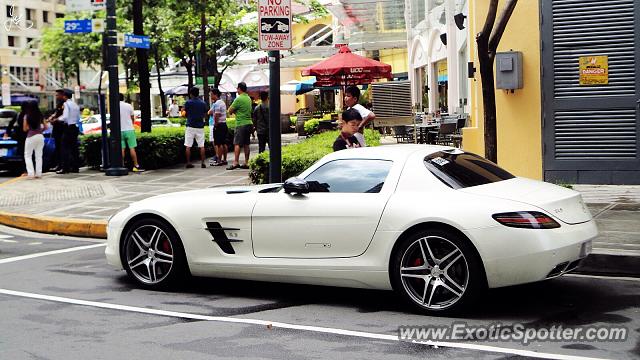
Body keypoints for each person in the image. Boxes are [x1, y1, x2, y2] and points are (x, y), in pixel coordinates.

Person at [227, 82, 253, 170]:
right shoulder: (248, 98)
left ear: (239, 89)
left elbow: (229, 111)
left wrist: (235, 112)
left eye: (237, 88)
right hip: (249, 123)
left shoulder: (238, 99)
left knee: (237, 143)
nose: (236, 90)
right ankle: (246, 162)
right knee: (246, 144)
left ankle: (236, 162)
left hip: (240, 123)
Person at [55, 88, 81, 174]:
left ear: (64, 96)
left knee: (64, 148)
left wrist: (58, 119)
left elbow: (65, 117)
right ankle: (75, 167)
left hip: (68, 127)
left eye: (62, 95)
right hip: (74, 127)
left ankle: (65, 168)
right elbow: (78, 117)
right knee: (74, 148)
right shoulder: (75, 105)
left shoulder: (66, 104)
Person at [183, 87, 208, 168]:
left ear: (191, 94)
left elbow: (185, 113)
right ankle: (203, 162)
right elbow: (205, 113)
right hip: (200, 126)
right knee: (201, 146)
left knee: (188, 145)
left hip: (190, 126)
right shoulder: (203, 103)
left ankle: (188, 162)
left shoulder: (188, 103)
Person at [119, 94, 144, 172]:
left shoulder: (114, 106)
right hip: (129, 129)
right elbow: (132, 117)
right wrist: (131, 124)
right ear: (123, 98)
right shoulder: (129, 106)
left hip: (119, 130)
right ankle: (136, 165)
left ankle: (122, 165)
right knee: (132, 148)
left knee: (122, 149)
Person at [22, 101, 47, 179]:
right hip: (40, 136)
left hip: (31, 137)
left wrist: (30, 128)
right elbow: (46, 127)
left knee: (28, 155)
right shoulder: (40, 115)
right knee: (39, 156)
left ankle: (31, 174)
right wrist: (40, 131)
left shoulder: (27, 116)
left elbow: (24, 129)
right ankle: (38, 174)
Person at [208, 88, 228, 166]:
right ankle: (224, 159)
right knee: (224, 143)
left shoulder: (216, 104)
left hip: (219, 125)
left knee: (218, 144)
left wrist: (215, 125)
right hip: (224, 124)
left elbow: (216, 115)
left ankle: (219, 160)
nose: (210, 96)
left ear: (215, 94)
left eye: (211, 94)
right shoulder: (222, 102)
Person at [47, 100, 65, 171]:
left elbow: (63, 117)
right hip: (57, 130)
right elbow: (56, 114)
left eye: (58, 95)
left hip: (61, 130)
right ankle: (59, 165)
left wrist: (54, 120)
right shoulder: (59, 105)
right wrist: (52, 118)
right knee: (58, 148)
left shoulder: (65, 105)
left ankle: (62, 165)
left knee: (61, 148)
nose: (57, 97)